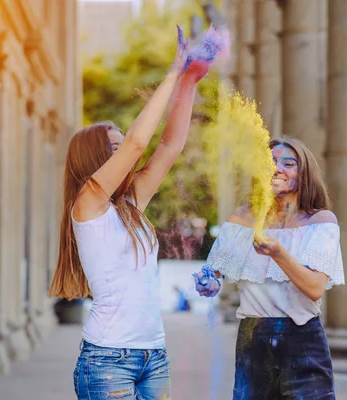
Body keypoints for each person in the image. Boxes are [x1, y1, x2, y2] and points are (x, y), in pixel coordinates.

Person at [49, 25, 225, 400]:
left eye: (119, 146)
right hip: (108, 359)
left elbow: (171, 145)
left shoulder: (130, 204)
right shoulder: (88, 203)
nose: (123, 155)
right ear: (94, 158)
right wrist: (173, 72)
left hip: (154, 356)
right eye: (112, 149)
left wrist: (190, 81)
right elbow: (137, 143)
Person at [193, 137, 345, 400]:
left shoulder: (320, 221)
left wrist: (278, 253)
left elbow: (314, 288)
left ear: (304, 173)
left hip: (303, 341)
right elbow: (215, 275)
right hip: (254, 340)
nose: (277, 168)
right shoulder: (240, 219)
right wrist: (208, 282)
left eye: (289, 163)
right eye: (270, 162)